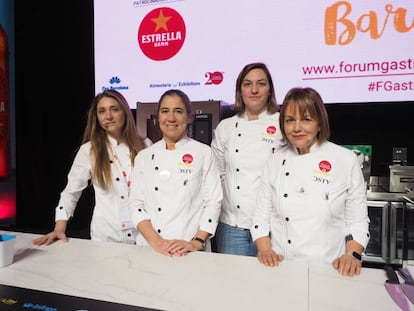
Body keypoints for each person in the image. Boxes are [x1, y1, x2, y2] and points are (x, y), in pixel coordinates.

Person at [250, 87, 370, 277]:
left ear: (320, 123)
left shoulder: (345, 160)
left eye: (306, 119)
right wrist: (265, 250)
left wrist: (352, 254)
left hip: (331, 268)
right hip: (282, 266)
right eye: (290, 120)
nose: (297, 128)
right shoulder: (274, 161)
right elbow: (261, 216)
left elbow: (357, 220)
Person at [33, 89, 148, 246]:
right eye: (102, 111)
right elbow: (71, 192)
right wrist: (59, 227)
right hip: (106, 237)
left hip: (143, 236)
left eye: (114, 109)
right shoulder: (89, 150)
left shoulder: (145, 145)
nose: (108, 116)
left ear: (125, 112)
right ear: (97, 118)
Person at [128, 89, 222, 256]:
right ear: (158, 117)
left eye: (178, 111)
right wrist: (157, 242)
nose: (171, 118)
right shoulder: (144, 156)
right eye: (165, 111)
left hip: (189, 249)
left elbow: (213, 201)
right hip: (150, 247)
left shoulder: (203, 153)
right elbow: (136, 204)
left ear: (189, 117)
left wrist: (197, 242)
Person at [210, 62, 282, 256]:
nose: (254, 90)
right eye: (247, 84)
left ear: (270, 90)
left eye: (261, 83)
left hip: (273, 226)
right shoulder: (226, 127)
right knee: (234, 284)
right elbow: (218, 175)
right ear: (239, 90)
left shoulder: (283, 123)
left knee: (271, 285)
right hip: (232, 226)